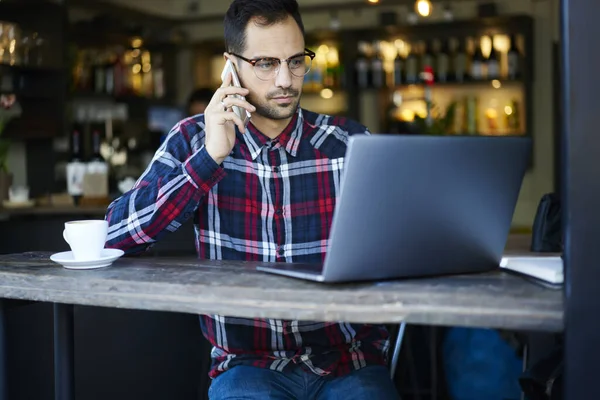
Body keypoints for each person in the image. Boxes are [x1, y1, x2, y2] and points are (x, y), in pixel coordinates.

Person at [104, 0, 399, 399]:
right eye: (265, 63)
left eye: (296, 61)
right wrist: (209, 159)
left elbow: (399, 246)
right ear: (232, 66)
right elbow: (114, 234)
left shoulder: (349, 142)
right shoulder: (193, 138)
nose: (285, 80)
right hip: (247, 366)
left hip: (349, 362)